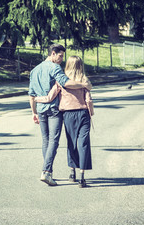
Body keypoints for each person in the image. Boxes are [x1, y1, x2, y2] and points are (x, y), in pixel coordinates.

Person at [28, 44, 92, 186]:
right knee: (53, 141)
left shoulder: (34, 70)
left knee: (46, 140)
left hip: (40, 109)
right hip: (53, 110)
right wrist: (84, 85)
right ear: (53, 53)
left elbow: (31, 95)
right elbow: (66, 83)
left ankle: (48, 172)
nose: (62, 59)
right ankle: (46, 171)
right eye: (60, 55)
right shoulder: (54, 67)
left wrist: (33, 112)